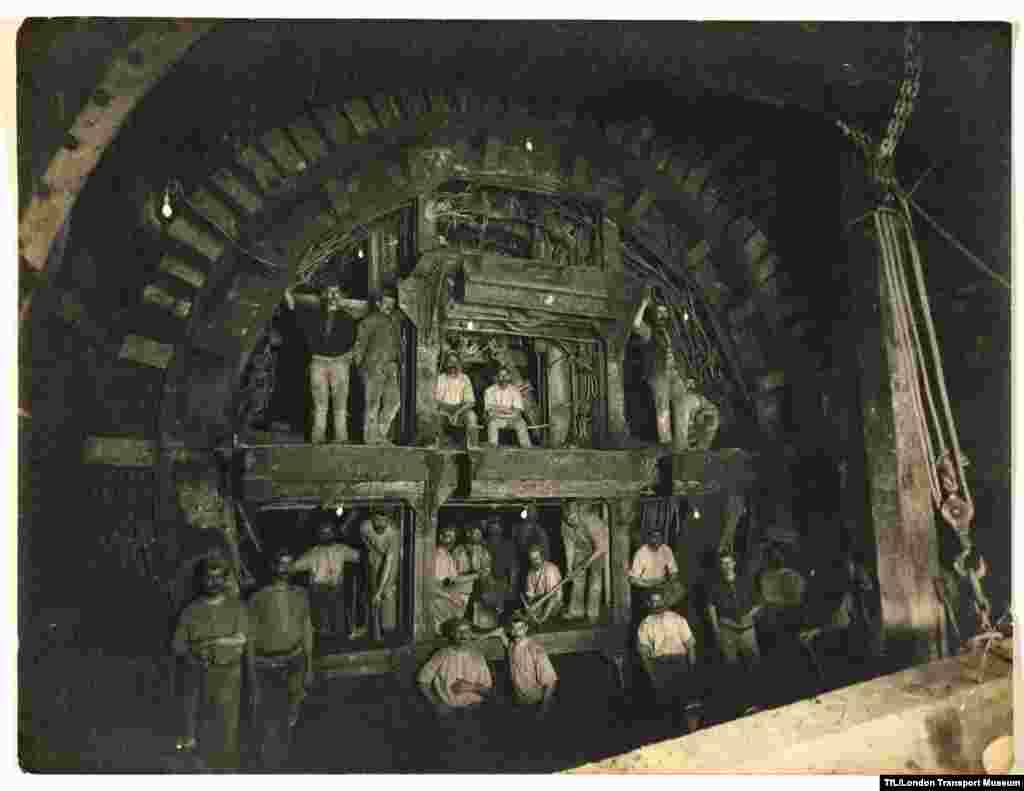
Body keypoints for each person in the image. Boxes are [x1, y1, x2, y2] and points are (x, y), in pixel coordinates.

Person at [172, 555, 250, 770]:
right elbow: (178, 646)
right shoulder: (190, 611)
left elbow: (241, 640)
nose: (214, 583)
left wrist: (212, 642)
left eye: (219, 578)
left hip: (230, 678)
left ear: (225, 580)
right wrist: (197, 649)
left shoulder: (237, 607)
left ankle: (227, 770)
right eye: (209, 578)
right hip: (199, 677)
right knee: (200, 730)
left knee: (227, 733)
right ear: (200, 580)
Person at [247, 549, 314, 769]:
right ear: (272, 567)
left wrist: (309, 666)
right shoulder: (258, 597)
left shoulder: (301, 594)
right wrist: (252, 678)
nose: (284, 569)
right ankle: (268, 767)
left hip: (295, 661)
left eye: (289, 564)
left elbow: (307, 630)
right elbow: (249, 639)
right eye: (280, 564)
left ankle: (290, 763)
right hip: (266, 666)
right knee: (268, 720)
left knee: (293, 716)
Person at [630, 288, 720, 451]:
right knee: (662, 406)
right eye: (659, 312)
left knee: (682, 403)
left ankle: (681, 443)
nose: (662, 315)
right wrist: (643, 304)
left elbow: (682, 356)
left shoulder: (674, 333)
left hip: (676, 374)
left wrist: (688, 377)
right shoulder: (650, 333)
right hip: (659, 374)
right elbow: (635, 324)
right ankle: (666, 443)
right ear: (654, 315)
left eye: (665, 312)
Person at [284, 283, 359, 443]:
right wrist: (287, 291)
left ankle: (341, 439)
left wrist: (347, 358)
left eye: (336, 293)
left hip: (339, 363)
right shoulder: (313, 316)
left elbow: (354, 342)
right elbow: (293, 309)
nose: (333, 296)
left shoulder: (348, 318)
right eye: (329, 292)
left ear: (341, 297)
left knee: (340, 405)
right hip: (318, 362)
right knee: (320, 405)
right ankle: (317, 440)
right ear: (324, 295)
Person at [707, 551, 764, 714]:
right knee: (732, 668)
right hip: (728, 630)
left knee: (754, 664)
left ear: (734, 564)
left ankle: (757, 702)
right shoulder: (715, 586)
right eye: (723, 563)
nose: (726, 566)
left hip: (747, 630)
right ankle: (739, 705)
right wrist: (717, 631)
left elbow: (759, 602)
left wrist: (751, 615)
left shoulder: (744, 581)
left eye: (728, 562)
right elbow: (711, 608)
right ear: (719, 567)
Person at [637, 590, 699, 731]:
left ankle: (693, 733)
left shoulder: (678, 619)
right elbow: (644, 654)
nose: (657, 605)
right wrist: (652, 674)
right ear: (649, 604)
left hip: (680, 661)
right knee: (668, 704)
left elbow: (690, 645)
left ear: (665, 601)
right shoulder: (645, 624)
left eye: (659, 601)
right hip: (661, 665)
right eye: (653, 602)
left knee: (690, 702)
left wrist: (692, 667)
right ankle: (673, 735)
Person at [290, 516, 362, 639]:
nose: (326, 535)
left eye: (329, 532)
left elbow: (359, 556)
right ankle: (324, 638)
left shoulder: (341, 549)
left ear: (334, 533)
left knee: (338, 618)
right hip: (319, 589)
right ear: (318, 535)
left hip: (337, 589)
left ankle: (340, 637)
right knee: (323, 622)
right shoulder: (313, 552)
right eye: (323, 533)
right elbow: (295, 566)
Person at [352, 285, 403, 445]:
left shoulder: (395, 320)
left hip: (391, 367)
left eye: (392, 304)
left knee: (394, 402)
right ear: (378, 304)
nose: (389, 306)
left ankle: (379, 433)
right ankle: (370, 438)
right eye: (386, 303)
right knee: (372, 404)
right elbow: (359, 345)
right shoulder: (369, 321)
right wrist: (360, 367)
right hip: (373, 366)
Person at [418, 617, 494, 718]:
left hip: (473, 711)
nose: (463, 634)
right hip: (448, 711)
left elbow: (488, 690)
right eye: (458, 631)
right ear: (452, 634)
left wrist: (471, 687)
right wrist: (436, 703)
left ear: (471, 634)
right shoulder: (442, 654)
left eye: (466, 631)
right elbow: (422, 681)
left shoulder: (478, 657)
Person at [499, 610, 558, 720]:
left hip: (536, 704)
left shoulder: (535, 650)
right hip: (519, 702)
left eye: (520, 628)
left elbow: (551, 682)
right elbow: (509, 645)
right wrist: (500, 634)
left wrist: (543, 710)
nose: (516, 632)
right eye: (513, 628)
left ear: (526, 628)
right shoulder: (512, 646)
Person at [561, 501, 609, 623]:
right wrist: (569, 568)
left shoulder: (591, 521)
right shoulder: (565, 526)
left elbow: (602, 547)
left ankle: (592, 613)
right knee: (577, 578)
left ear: (578, 513)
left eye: (573, 518)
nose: (571, 522)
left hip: (599, 548)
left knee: (595, 580)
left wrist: (587, 562)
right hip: (581, 548)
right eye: (568, 520)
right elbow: (569, 547)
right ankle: (576, 611)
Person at [360, 507, 400, 640]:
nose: (380, 524)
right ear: (372, 519)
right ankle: (374, 631)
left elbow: (388, 564)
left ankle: (388, 629)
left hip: (390, 558)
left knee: (386, 592)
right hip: (375, 554)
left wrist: (379, 591)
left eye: (384, 521)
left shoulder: (393, 534)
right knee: (371, 592)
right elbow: (365, 541)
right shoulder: (365, 527)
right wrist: (372, 553)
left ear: (388, 521)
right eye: (377, 520)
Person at [431, 525, 478, 636]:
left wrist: (476, 575)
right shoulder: (438, 555)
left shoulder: (447, 555)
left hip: (446, 591)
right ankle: (448, 627)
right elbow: (436, 585)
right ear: (440, 537)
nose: (451, 540)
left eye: (453, 537)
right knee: (465, 591)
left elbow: (454, 579)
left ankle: (462, 623)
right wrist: (451, 596)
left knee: (470, 585)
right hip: (438, 595)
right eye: (448, 537)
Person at [452, 522, 494, 629]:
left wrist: (482, 574)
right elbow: (454, 574)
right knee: (460, 617)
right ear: (468, 534)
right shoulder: (458, 551)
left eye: (480, 534)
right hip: (462, 589)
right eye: (476, 533)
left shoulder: (483, 551)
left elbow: (486, 570)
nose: (479, 536)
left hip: (478, 589)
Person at [629, 526, 684, 607]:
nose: (656, 539)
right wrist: (650, 584)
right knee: (654, 599)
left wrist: (669, 582)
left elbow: (674, 572)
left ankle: (666, 610)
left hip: (662, 585)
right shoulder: (641, 553)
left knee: (679, 589)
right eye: (654, 537)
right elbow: (633, 579)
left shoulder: (666, 549)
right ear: (649, 538)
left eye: (659, 537)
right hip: (646, 587)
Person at [435, 351, 479, 448]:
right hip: (444, 409)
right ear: (446, 364)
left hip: (461, 410)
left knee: (472, 416)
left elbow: (471, 402)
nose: (453, 365)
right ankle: (437, 446)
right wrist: (447, 412)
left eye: (455, 363)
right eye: (450, 362)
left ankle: (473, 447)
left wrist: (457, 412)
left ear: (459, 364)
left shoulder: (465, 378)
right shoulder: (440, 378)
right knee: (436, 416)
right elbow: (437, 400)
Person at [483, 364, 533, 447]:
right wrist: (509, 410)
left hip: (512, 419)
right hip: (496, 420)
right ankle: (492, 448)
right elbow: (490, 412)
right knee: (492, 423)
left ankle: (526, 448)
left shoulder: (515, 391)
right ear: (496, 377)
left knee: (521, 423)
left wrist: (499, 409)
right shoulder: (489, 391)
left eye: (505, 375)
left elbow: (517, 413)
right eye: (500, 376)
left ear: (509, 377)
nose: (503, 378)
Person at [483, 514, 520, 612]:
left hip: (502, 582)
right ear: (488, 528)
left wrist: (512, 585)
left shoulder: (508, 545)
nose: (495, 528)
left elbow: (513, 567)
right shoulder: (483, 544)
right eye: (492, 525)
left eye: (497, 525)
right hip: (485, 582)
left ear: (501, 528)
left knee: (501, 610)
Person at [524, 544, 563, 625]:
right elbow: (530, 595)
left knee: (551, 600)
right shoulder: (530, 573)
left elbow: (552, 594)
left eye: (536, 558)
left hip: (553, 603)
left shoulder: (550, 569)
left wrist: (537, 604)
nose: (534, 561)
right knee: (530, 610)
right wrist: (530, 605)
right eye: (532, 559)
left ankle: (542, 620)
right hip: (540, 602)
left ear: (542, 557)